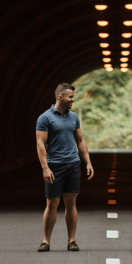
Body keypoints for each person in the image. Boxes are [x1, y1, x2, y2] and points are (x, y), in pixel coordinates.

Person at [35, 82, 94, 252]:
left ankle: (72, 241)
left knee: (71, 202)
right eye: (70, 97)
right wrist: (45, 168)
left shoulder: (74, 117)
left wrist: (88, 162)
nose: (73, 100)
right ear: (60, 97)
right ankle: (46, 241)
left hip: (73, 164)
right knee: (52, 203)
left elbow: (80, 140)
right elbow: (40, 143)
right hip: (54, 165)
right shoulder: (45, 118)